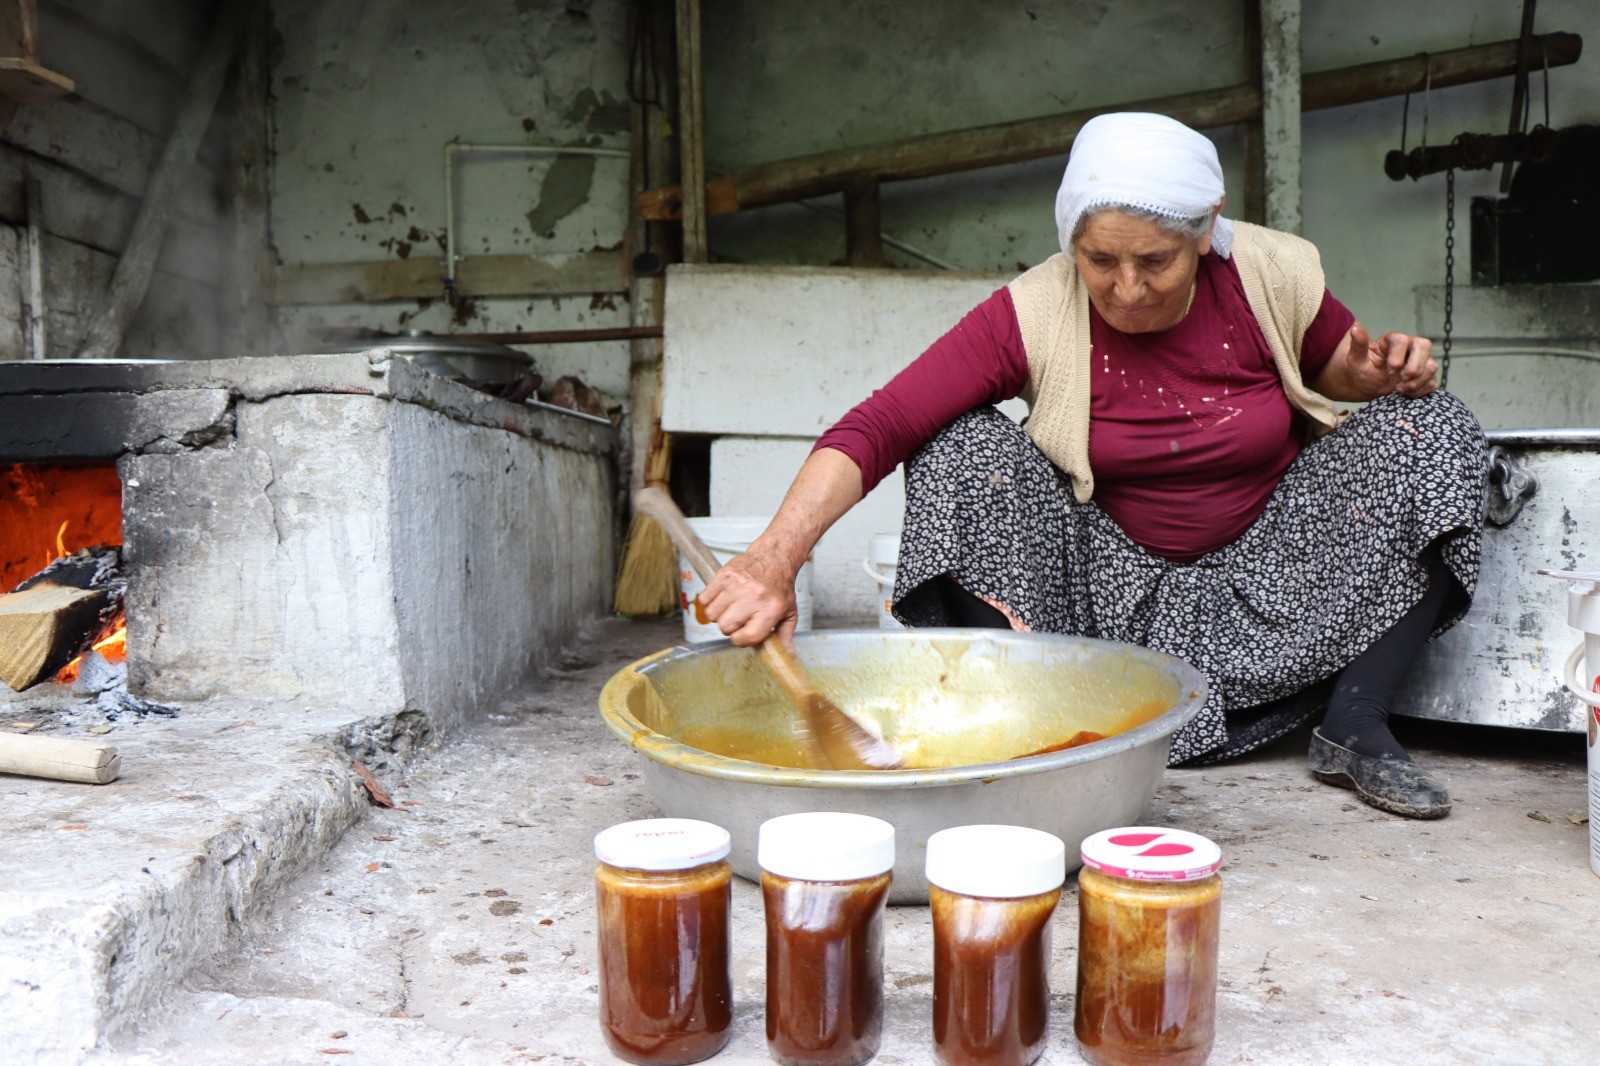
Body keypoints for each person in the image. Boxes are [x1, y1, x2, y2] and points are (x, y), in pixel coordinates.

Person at [697, 112, 1486, 820]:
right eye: (1099, 259)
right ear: (1069, 241)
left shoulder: (1269, 272)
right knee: (958, 444)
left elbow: (1336, 368)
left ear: (1207, 229)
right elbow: (883, 423)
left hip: (1267, 589)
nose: (1128, 289)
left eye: (1156, 261)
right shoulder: (1036, 308)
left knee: (1431, 427)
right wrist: (774, 556)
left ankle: (1356, 717)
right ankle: (1027, 712)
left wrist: (1383, 374)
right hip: (1098, 612)